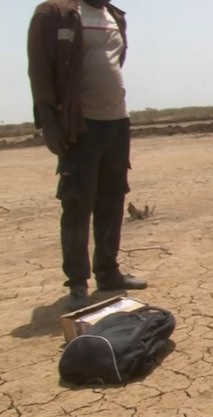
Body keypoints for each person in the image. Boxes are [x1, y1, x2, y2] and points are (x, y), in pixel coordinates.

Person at [28, 0, 147, 312]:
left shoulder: (114, 15)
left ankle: (108, 273)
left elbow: (114, 61)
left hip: (117, 121)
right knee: (78, 203)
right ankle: (78, 283)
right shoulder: (55, 13)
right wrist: (48, 120)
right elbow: (39, 68)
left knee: (112, 198)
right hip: (80, 125)